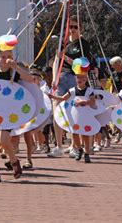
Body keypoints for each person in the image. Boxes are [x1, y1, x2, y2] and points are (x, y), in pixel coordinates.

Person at [0, 35, 35, 183]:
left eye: (9, 56)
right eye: (4, 56)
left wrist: (16, 67)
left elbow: (31, 79)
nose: (7, 59)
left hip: (9, 112)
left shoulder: (15, 72)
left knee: (4, 140)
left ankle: (14, 161)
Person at [48, 15, 96, 158]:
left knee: (73, 111)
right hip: (60, 78)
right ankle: (58, 145)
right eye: (71, 26)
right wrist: (54, 77)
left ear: (80, 29)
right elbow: (56, 61)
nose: (72, 29)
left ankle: (74, 145)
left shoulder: (83, 44)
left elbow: (83, 64)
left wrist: (66, 58)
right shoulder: (62, 43)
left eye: (76, 27)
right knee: (57, 110)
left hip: (73, 78)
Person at [48, 57, 97, 163]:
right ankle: (79, 149)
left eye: (83, 78)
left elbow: (92, 102)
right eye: (78, 78)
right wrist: (53, 97)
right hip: (76, 116)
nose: (80, 80)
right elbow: (62, 98)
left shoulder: (89, 91)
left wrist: (83, 102)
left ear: (86, 80)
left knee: (85, 135)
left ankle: (87, 153)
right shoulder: (72, 90)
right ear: (75, 79)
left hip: (86, 116)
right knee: (74, 133)